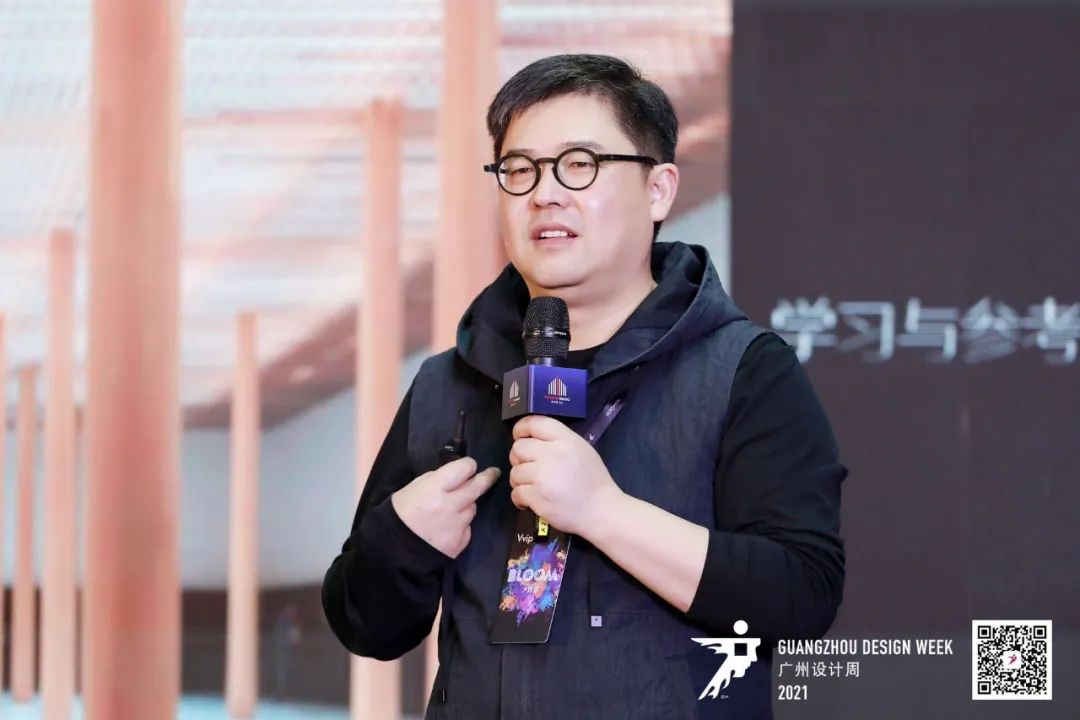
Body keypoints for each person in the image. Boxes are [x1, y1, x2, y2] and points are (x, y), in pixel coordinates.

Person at [322, 53, 846, 720]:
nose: (544, 193)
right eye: (520, 169)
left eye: (580, 164)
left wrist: (603, 512)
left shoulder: (743, 369)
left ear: (658, 189)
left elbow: (802, 597)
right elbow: (367, 627)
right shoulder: (448, 384)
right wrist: (400, 540)